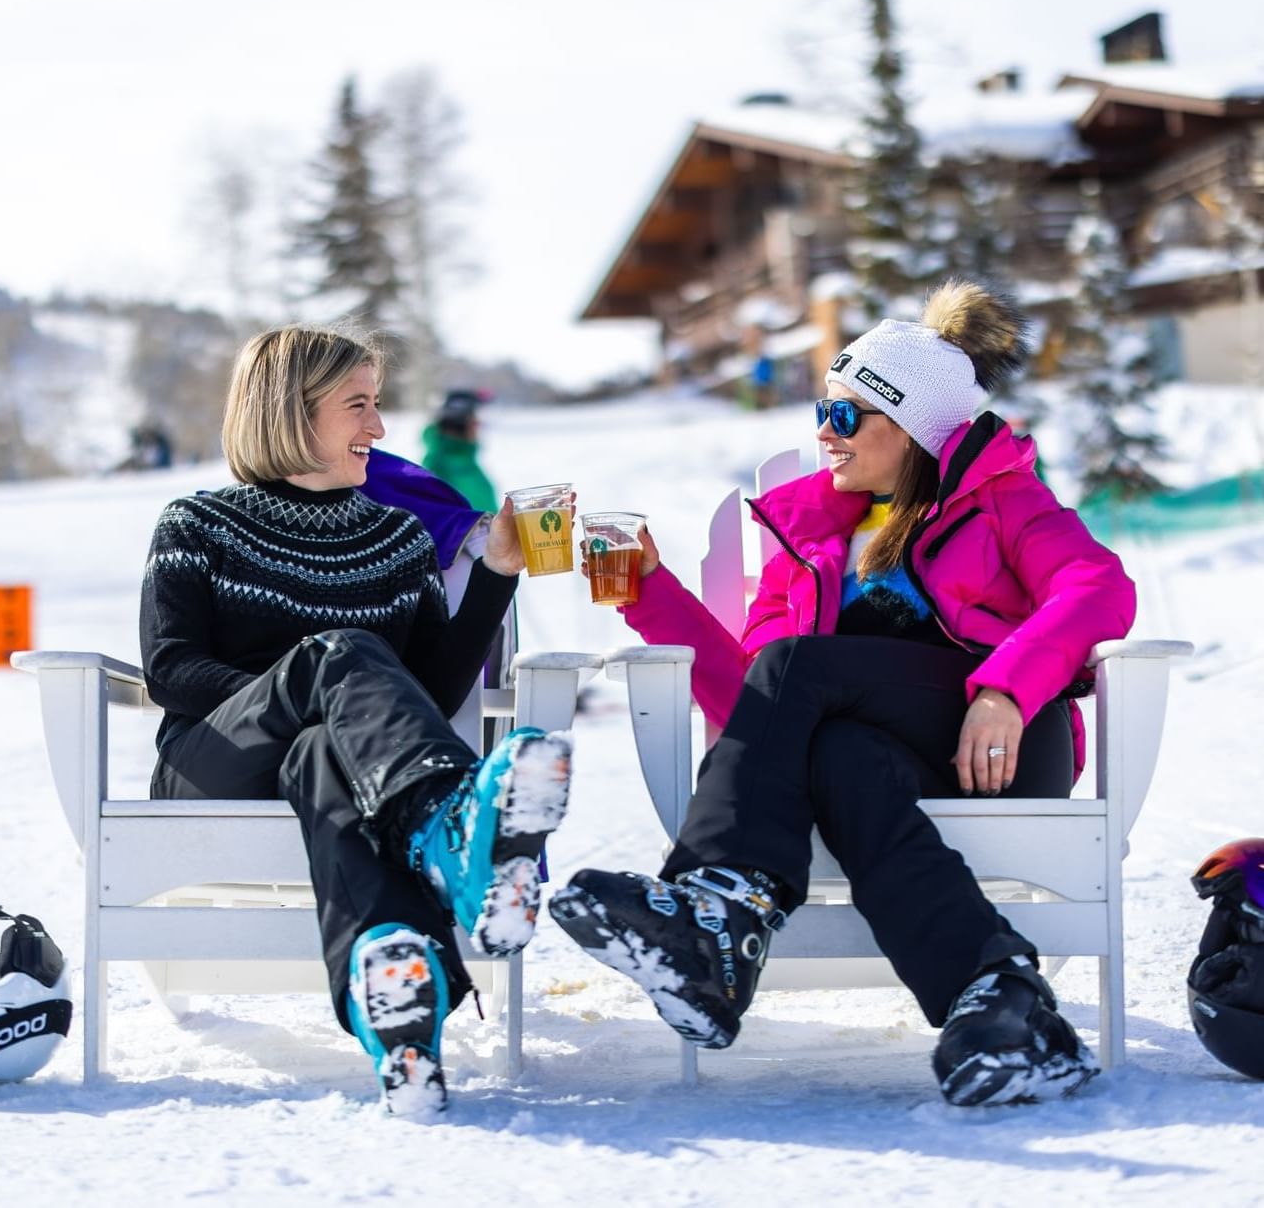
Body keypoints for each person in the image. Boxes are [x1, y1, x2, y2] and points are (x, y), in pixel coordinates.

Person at [549, 280, 1136, 1107]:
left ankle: (722, 911)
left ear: (913, 427)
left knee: (802, 668)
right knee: (837, 751)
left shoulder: (1003, 501)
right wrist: (650, 591)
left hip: (1001, 742)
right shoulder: (811, 541)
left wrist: (1005, 689)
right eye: (821, 412)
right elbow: (755, 704)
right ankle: (1001, 1002)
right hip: (887, 753)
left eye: (845, 415)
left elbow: (1098, 588)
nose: (824, 433)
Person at [140, 325, 573, 1117]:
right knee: (340, 658)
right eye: (358, 405)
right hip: (214, 761)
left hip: (333, 771)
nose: (378, 426)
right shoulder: (197, 524)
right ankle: (449, 827)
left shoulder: (398, 538)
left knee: (324, 751)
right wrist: (307, 684)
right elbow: (172, 670)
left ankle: (398, 1012)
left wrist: (497, 574)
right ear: (289, 409)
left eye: (376, 404)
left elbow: (431, 690)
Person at [421, 388, 498, 512]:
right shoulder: (464, 474)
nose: (478, 424)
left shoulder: (434, 465)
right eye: (474, 418)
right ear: (465, 425)